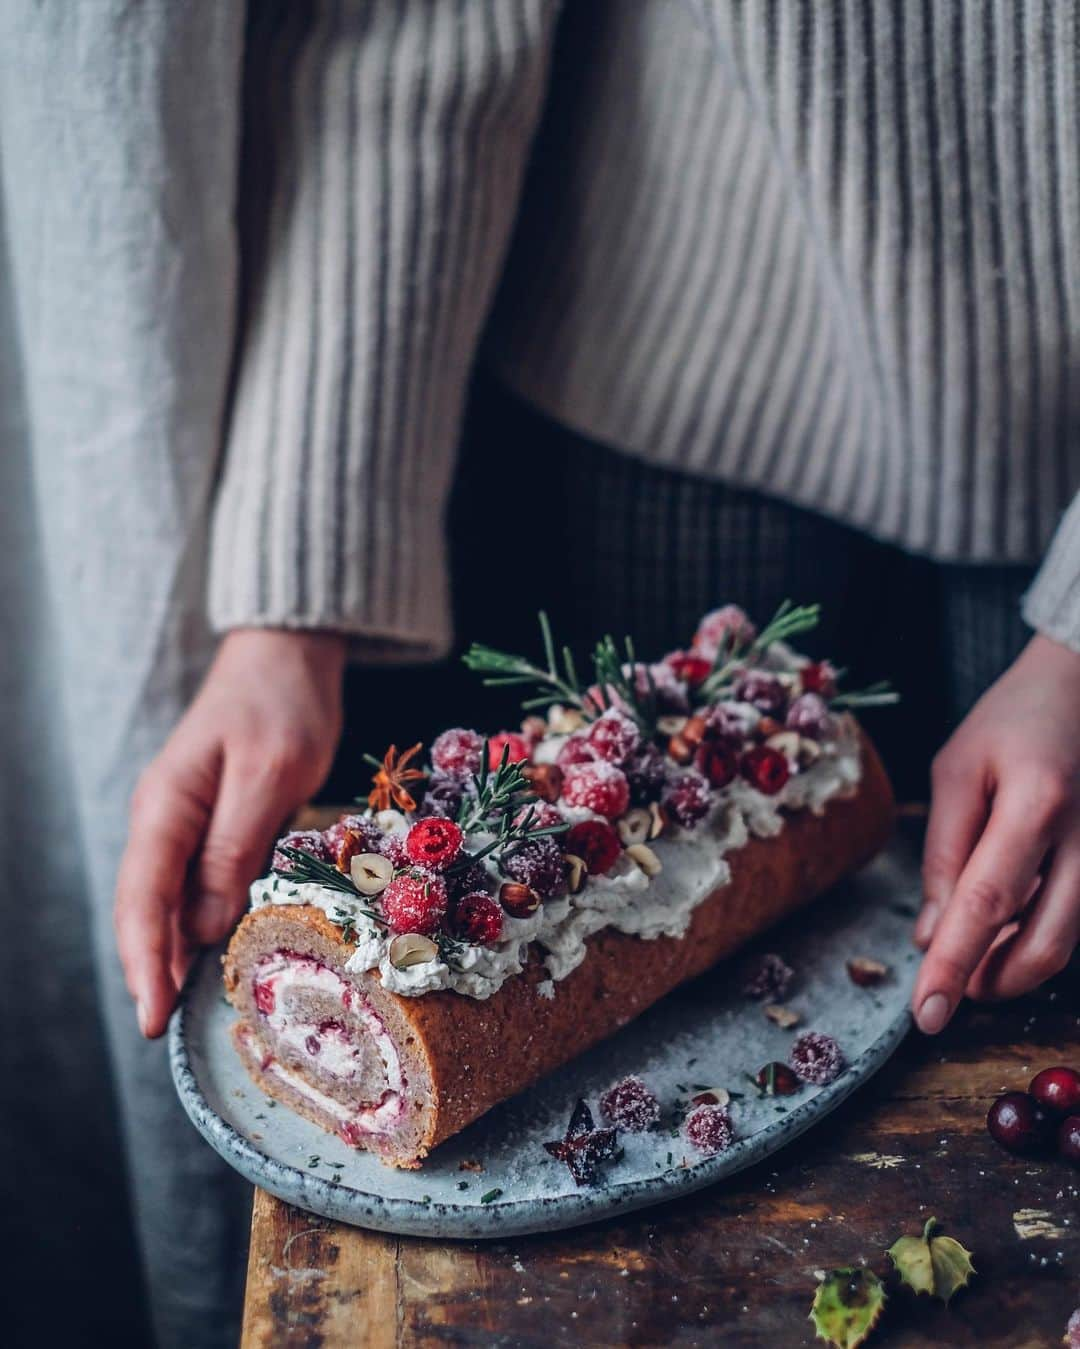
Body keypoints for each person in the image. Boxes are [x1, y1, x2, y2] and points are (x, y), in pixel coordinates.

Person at [4, 2, 1079, 1344]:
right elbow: (411, 36)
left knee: (1013, 969)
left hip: (1063, 455)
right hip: (660, 347)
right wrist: (292, 607)